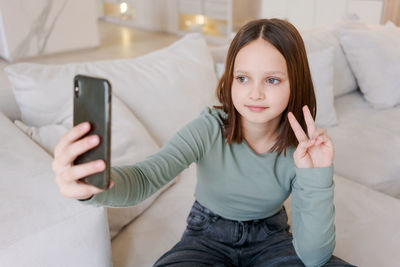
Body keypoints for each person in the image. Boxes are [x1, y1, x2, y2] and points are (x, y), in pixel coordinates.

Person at [52, 19, 356, 267]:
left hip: (272, 237)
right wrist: (97, 184)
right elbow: (145, 178)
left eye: (272, 80)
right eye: (243, 78)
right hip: (206, 236)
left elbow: (314, 256)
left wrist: (316, 176)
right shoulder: (208, 129)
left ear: (296, 83)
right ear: (230, 79)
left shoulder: (302, 150)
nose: (255, 93)